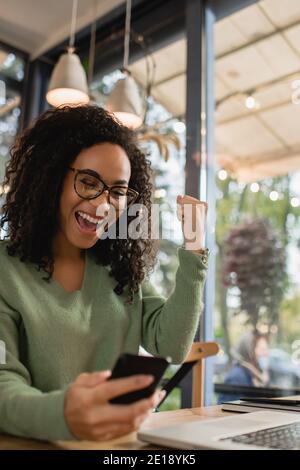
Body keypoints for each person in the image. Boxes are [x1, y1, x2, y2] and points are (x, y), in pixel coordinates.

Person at [0, 105, 208, 442]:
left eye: (118, 191)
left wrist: (195, 248)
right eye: (87, 182)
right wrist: (64, 414)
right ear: (51, 177)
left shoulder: (119, 272)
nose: (102, 205)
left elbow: (171, 345)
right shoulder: (4, 270)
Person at [218, 330, 270, 403]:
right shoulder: (237, 377)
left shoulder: (256, 375)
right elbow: (228, 410)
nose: (266, 353)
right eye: (262, 349)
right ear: (248, 351)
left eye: (266, 349)